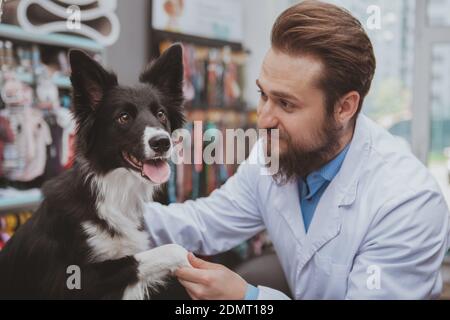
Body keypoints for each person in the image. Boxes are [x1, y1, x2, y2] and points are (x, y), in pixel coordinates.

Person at [143, 0, 450, 300]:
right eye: (263, 94)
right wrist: (107, 214)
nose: (264, 119)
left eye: (286, 104)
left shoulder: (408, 204)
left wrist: (247, 297)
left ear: (344, 107)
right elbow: (204, 222)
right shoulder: (275, 155)